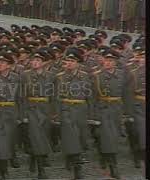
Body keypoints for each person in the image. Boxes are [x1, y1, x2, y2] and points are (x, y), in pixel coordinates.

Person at [55, 48, 93, 179]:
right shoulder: (59, 77)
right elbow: (55, 97)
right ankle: (78, 168)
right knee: (71, 136)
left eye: (72, 61)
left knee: (80, 137)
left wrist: (92, 115)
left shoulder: (85, 76)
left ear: (78, 63)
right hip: (66, 110)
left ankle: (69, 156)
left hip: (81, 110)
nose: (70, 63)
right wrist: (56, 114)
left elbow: (90, 97)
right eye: (68, 60)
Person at [92, 49, 130, 179]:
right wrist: (94, 116)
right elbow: (93, 98)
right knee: (107, 136)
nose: (107, 63)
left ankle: (104, 155)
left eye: (110, 61)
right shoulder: (97, 76)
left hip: (117, 110)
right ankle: (113, 166)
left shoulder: (122, 75)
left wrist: (126, 113)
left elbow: (126, 94)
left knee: (113, 137)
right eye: (106, 60)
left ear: (115, 62)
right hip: (103, 109)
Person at [0, 52, 21, 179]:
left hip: (11, 112)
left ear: (9, 65)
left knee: (8, 140)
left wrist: (20, 115)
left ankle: (0, 162)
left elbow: (20, 98)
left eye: (3, 63)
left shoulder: (16, 78)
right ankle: (3, 169)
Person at [20, 49, 54, 179]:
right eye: (33, 60)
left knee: (42, 136)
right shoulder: (25, 75)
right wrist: (22, 114)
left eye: (38, 60)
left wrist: (54, 112)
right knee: (36, 136)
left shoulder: (51, 76)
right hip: (31, 109)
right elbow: (21, 97)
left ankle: (34, 158)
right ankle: (41, 170)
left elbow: (54, 96)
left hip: (45, 110)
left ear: (44, 62)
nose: (35, 62)